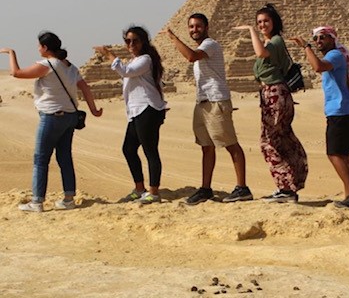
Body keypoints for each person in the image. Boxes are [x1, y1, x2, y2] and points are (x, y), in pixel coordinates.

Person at [1, 32, 103, 212]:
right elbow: (85, 87)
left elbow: (16, 73)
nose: (38, 49)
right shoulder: (70, 66)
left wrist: (11, 53)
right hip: (71, 117)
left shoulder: (47, 64)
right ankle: (69, 199)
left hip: (52, 116)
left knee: (40, 159)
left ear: (46, 48)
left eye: (39, 46)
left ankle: (37, 201)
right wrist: (94, 109)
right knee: (65, 158)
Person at [162, 13, 252, 204]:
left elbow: (191, 57)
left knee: (230, 144)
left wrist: (173, 37)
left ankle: (242, 187)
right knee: (206, 147)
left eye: (198, 26)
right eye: (191, 27)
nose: (194, 30)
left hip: (216, 100)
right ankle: (205, 189)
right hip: (202, 102)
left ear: (207, 27)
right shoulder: (202, 47)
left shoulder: (210, 44)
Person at [233, 4, 308, 202]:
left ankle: (286, 187)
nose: (262, 25)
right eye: (258, 23)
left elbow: (261, 54)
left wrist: (250, 30)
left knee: (270, 141)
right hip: (271, 94)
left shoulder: (274, 42)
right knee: (278, 139)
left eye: (265, 21)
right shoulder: (271, 42)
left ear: (274, 22)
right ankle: (287, 186)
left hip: (275, 94)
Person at [292, 26, 349, 210]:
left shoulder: (334, 55)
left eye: (322, 37)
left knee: (333, 154)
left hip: (338, 112)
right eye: (315, 39)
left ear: (332, 39)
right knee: (344, 155)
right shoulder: (338, 58)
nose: (318, 42)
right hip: (345, 111)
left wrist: (306, 47)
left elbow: (318, 67)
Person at [94, 26, 167, 204]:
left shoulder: (146, 60)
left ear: (143, 42)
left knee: (150, 151)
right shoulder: (135, 61)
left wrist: (108, 54)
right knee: (128, 149)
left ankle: (154, 192)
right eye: (128, 41)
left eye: (135, 40)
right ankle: (139, 188)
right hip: (136, 112)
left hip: (147, 109)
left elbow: (125, 71)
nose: (131, 44)